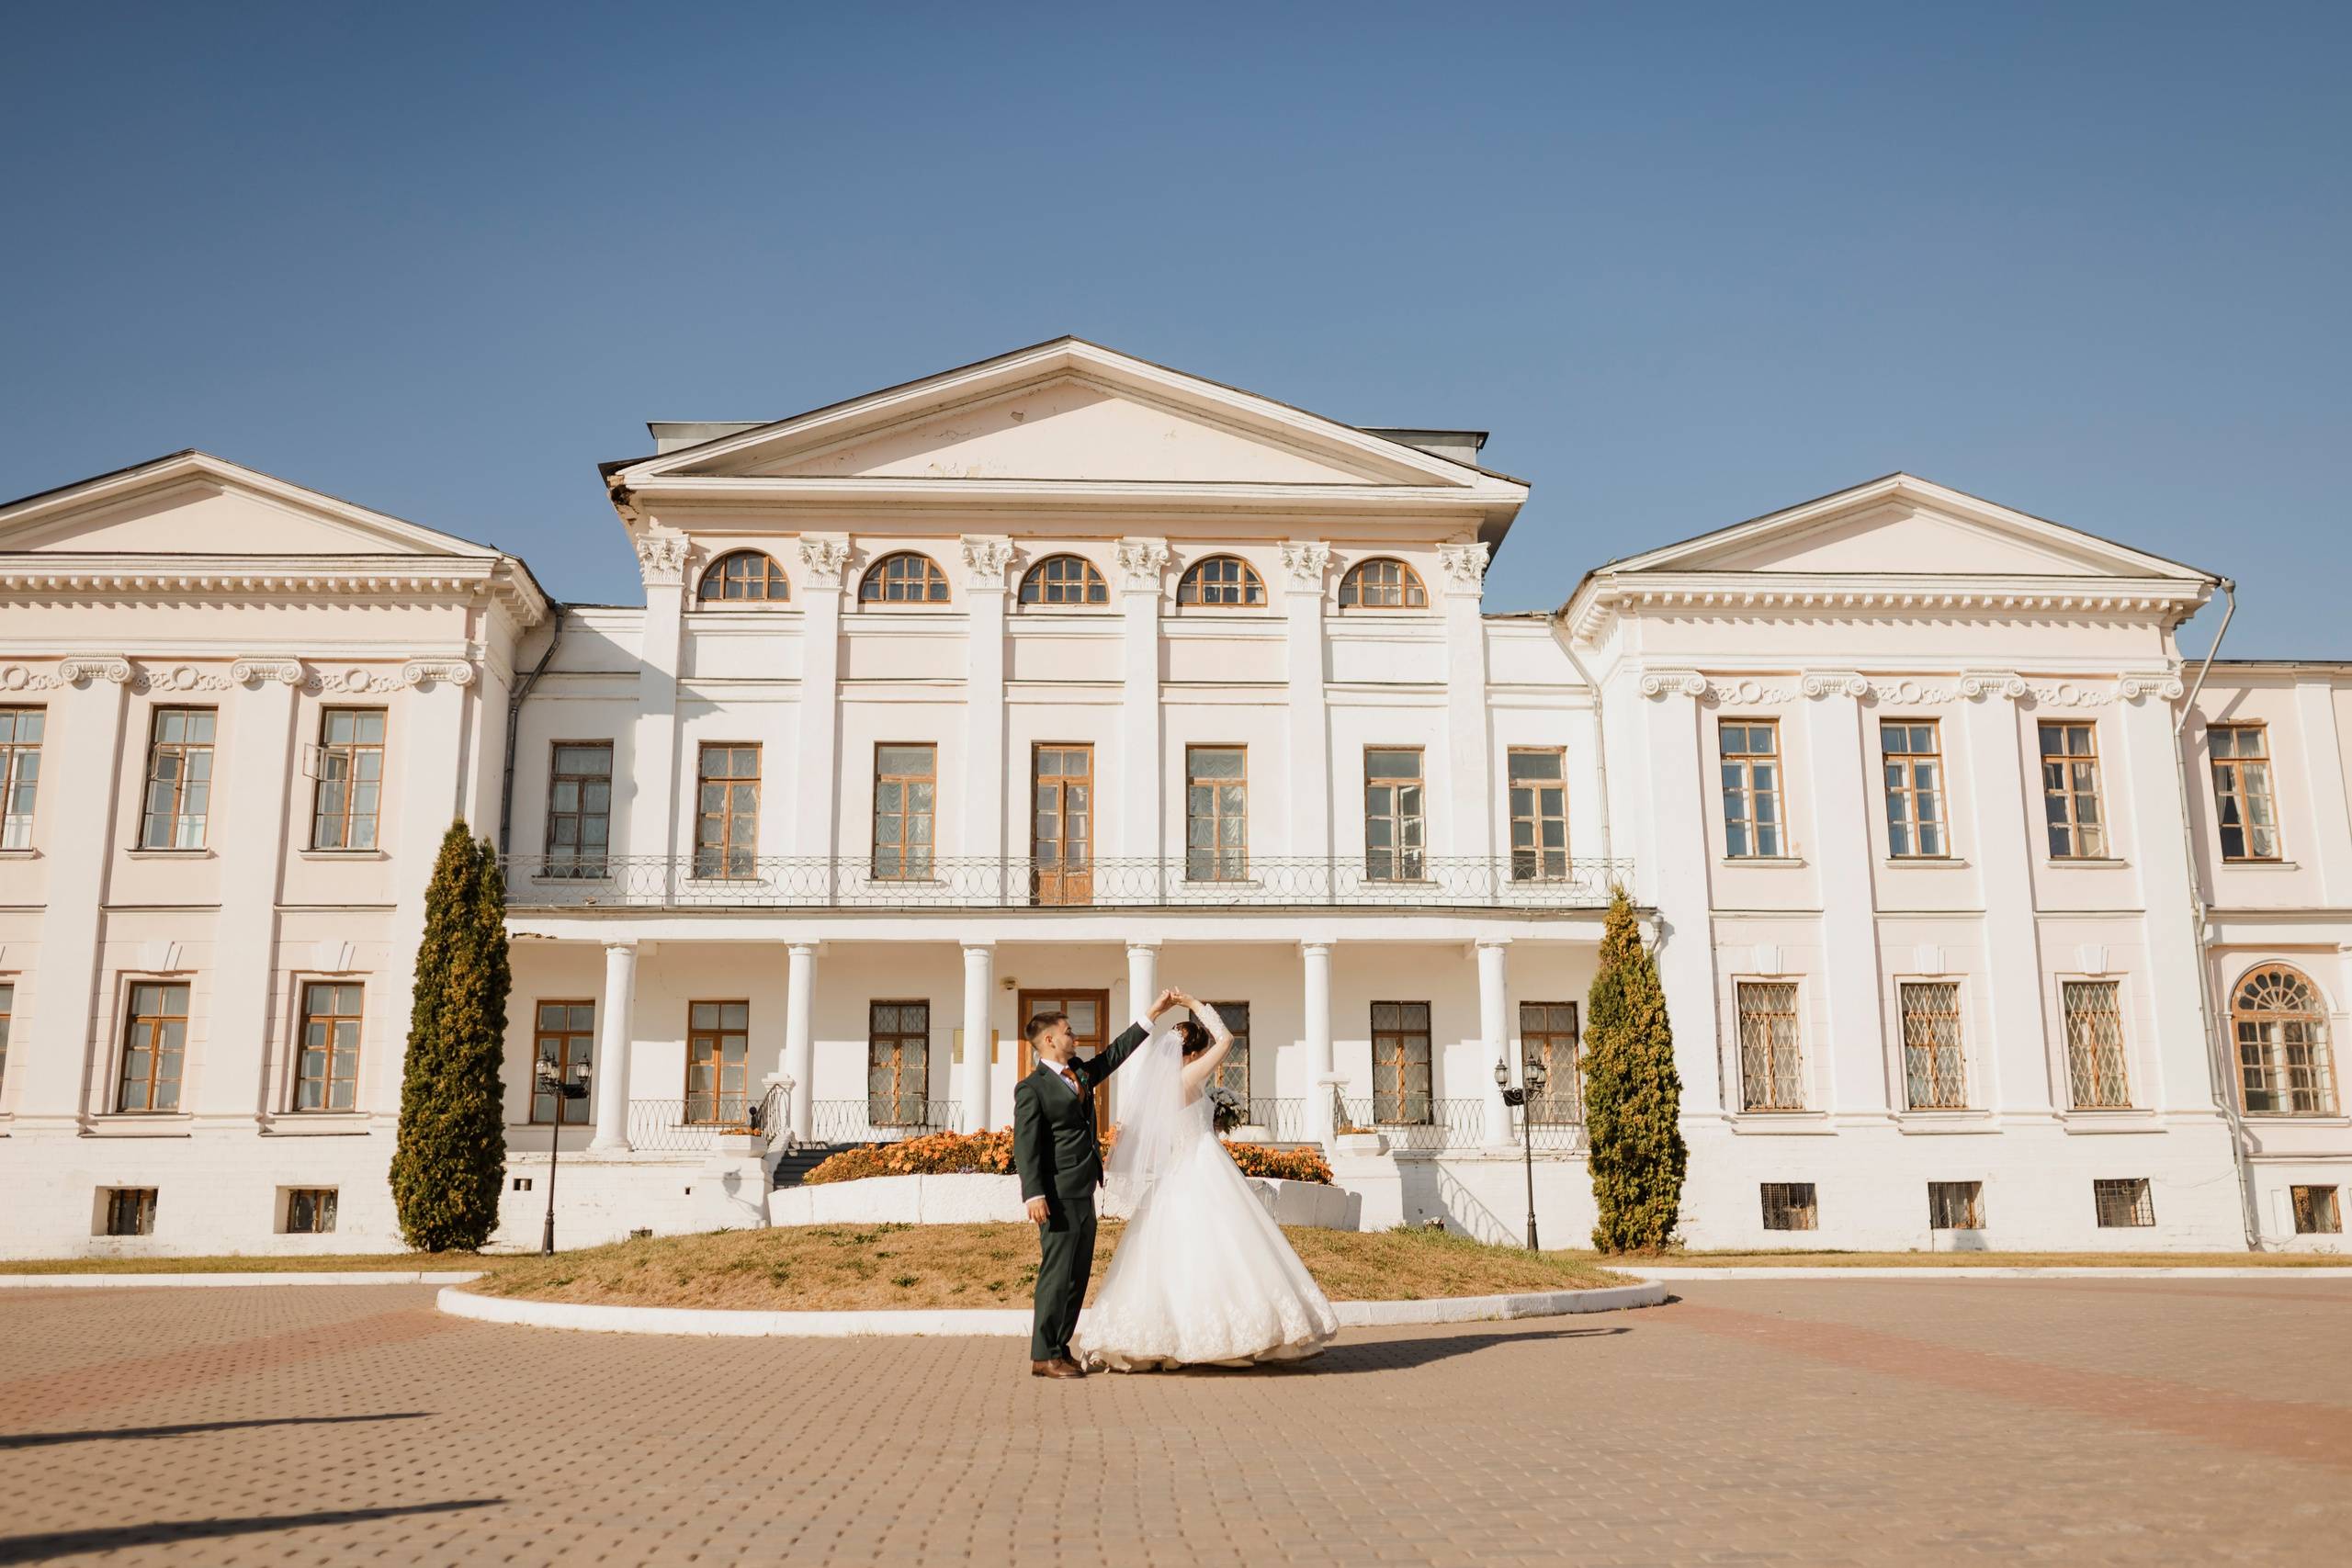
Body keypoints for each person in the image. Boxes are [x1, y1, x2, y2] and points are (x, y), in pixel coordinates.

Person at [1072, 989, 1340, 1371]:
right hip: (1203, 1163)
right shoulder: (1189, 1074)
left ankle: (1167, 1343)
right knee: (1226, 1245)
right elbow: (1228, 1039)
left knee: (1173, 1254)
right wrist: (1196, 1004)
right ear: (1194, 1053)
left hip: (1177, 1169)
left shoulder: (1163, 1087)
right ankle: (1229, 1341)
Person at [1012, 987, 1179, 1380]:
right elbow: (1026, 1145)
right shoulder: (1032, 1088)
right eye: (1069, 1031)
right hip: (1055, 1194)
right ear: (1050, 1040)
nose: (1076, 1036)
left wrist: (1153, 1012)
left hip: (1084, 1189)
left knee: (1076, 1276)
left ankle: (1059, 1348)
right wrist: (1033, 1192)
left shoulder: (1080, 1073)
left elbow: (1116, 1053)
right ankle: (1043, 1355)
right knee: (1056, 1275)